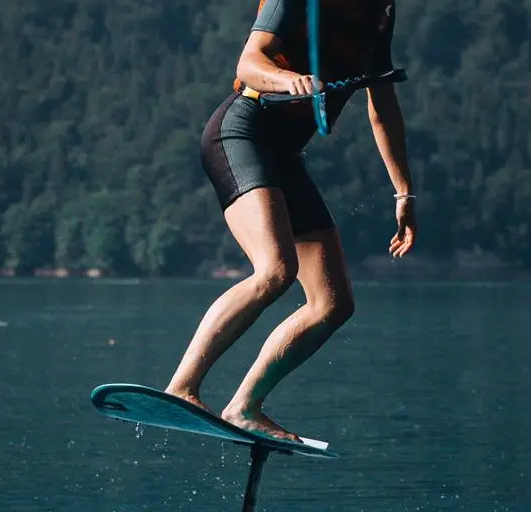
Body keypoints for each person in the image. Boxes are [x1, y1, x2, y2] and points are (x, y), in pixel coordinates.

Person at [165, 0, 416, 442]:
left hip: (284, 155)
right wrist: (286, 78)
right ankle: (183, 388)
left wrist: (404, 192)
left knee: (332, 304)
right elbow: (251, 60)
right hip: (241, 133)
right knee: (275, 273)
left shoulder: (379, 13)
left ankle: (245, 406)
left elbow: (382, 107)